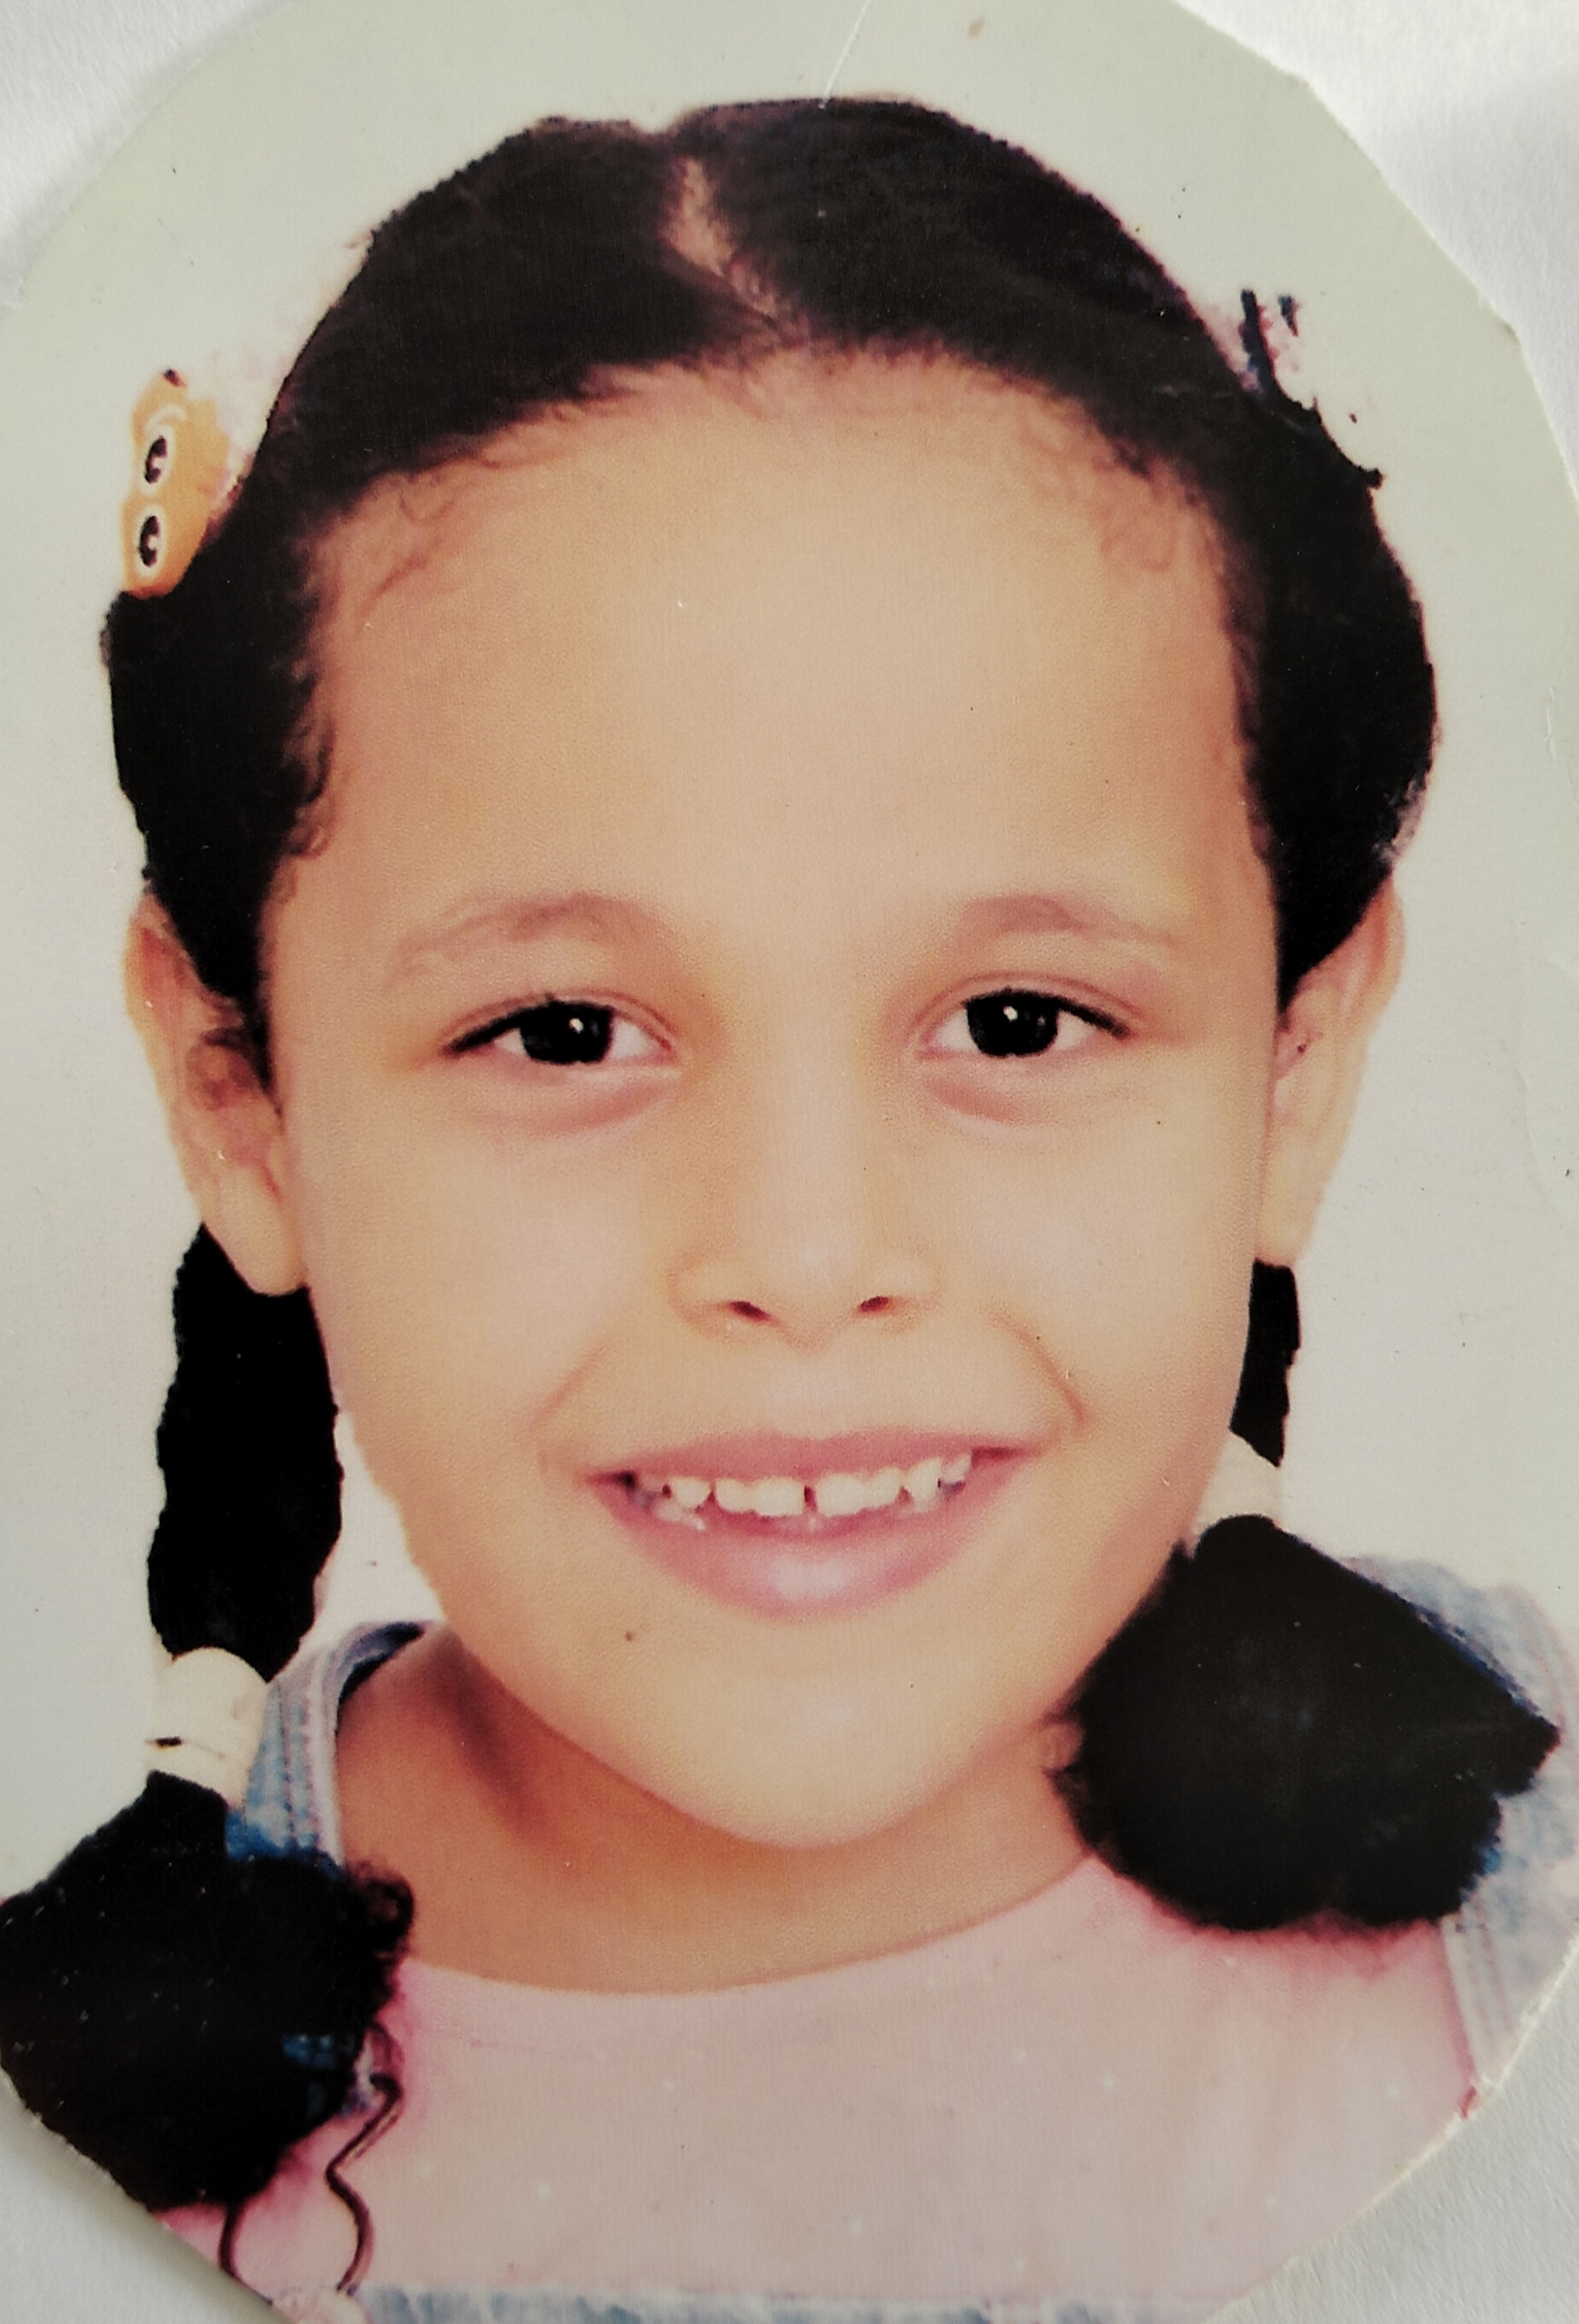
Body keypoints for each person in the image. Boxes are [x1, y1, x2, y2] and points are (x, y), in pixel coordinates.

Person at [0, 96, 1573, 2324]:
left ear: (1292, 1071)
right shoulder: (66, 2135)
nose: (809, 1257)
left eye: (1016, 1021)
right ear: (241, 1099)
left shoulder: (1538, 1856)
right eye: (564, 1034)